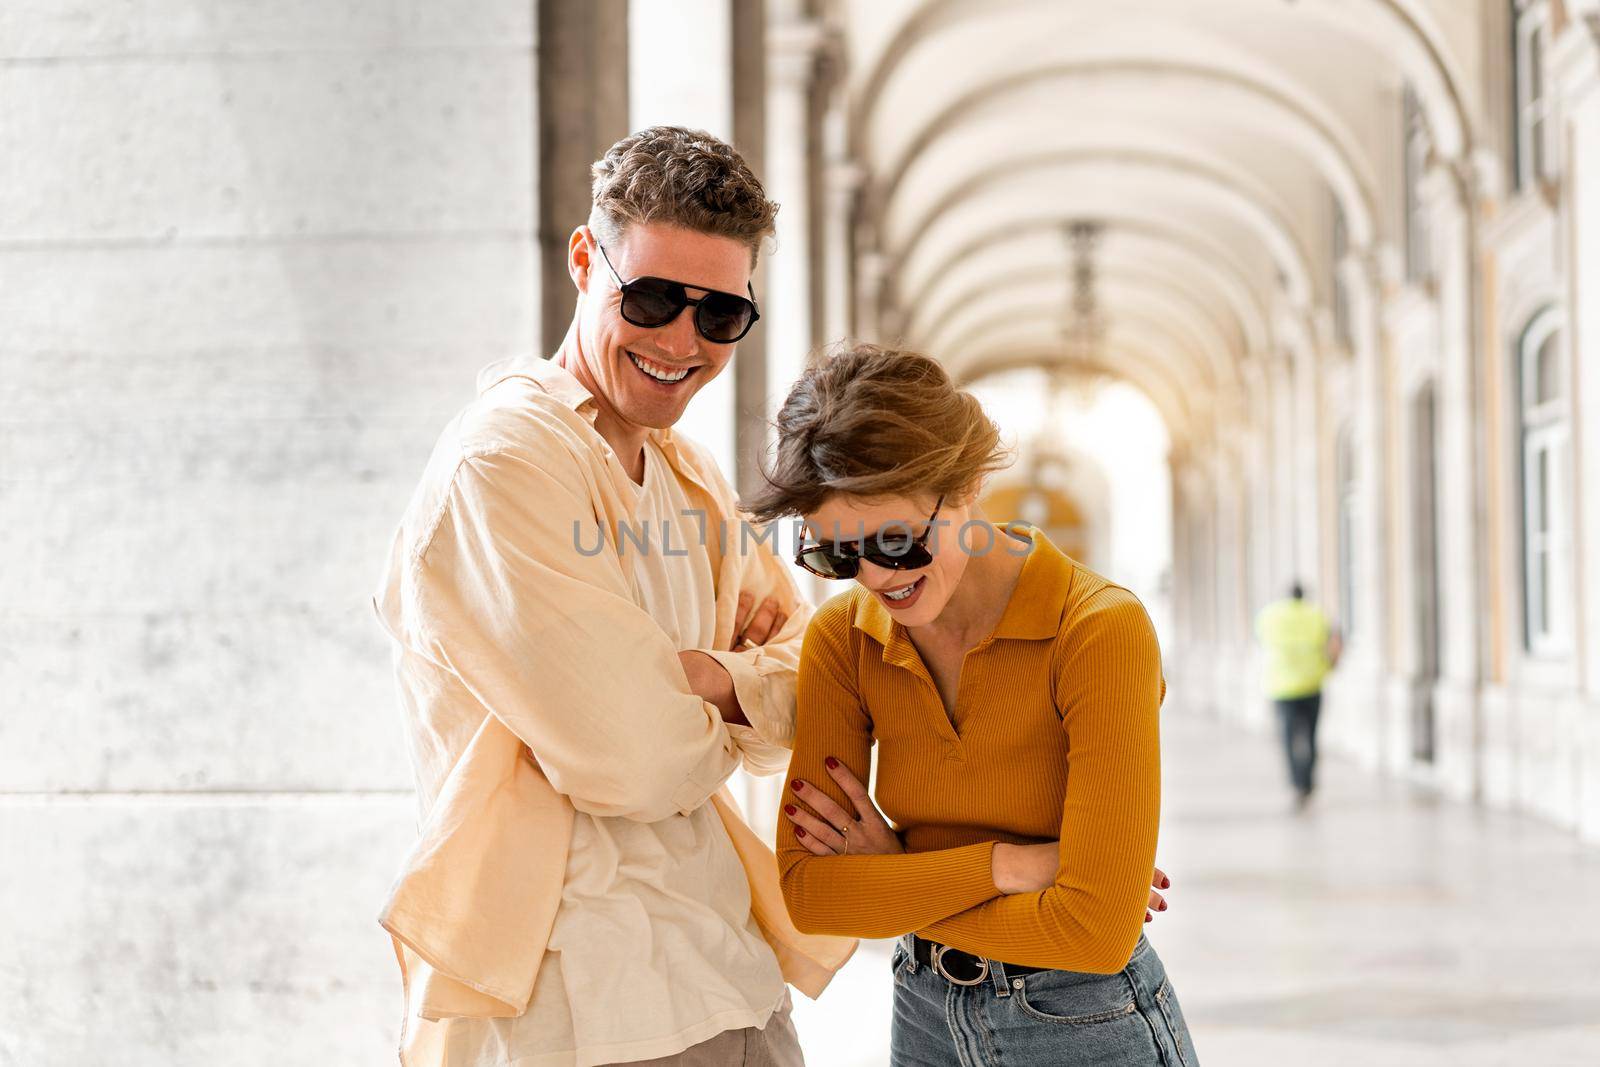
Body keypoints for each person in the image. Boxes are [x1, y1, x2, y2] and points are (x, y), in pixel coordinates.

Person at [369, 126, 853, 1067]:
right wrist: (736, 695)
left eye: (720, 315)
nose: (682, 341)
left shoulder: (693, 475)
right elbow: (633, 758)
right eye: (655, 298)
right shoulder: (505, 463)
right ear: (587, 259)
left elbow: (819, 674)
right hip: (576, 1002)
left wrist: (701, 676)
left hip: (728, 968)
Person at [746, 343, 1198, 1066]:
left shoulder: (1100, 630)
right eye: (834, 554)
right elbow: (812, 894)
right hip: (923, 1013)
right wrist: (1016, 866)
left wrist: (895, 869)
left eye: (895, 541)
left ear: (969, 484)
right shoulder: (843, 638)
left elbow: (1097, 931)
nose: (871, 578)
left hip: (1085, 1018)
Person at [1254, 581, 1342, 809]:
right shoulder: (1316, 614)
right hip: (1312, 683)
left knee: (1288, 738)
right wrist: (1331, 667)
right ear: (1303, 597)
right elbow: (1334, 643)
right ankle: (1308, 782)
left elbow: (1259, 641)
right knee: (1311, 736)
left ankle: (1296, 784)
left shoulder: (1270, 615)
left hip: (1281, 687)